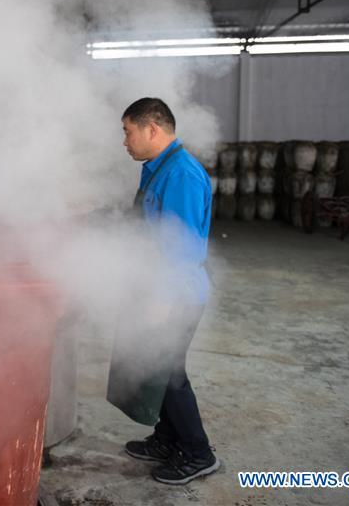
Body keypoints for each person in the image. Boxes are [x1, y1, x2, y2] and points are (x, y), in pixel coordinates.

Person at [115, 97, 219, 484]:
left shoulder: (182, 175)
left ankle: (198, 452)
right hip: (155, 288)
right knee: (155, 371)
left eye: (128, 131)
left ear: (151, 129)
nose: (124, 141)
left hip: (175, 294)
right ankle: (168, 438)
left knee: (168, 372)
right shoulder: (157, 168)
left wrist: (161, 301)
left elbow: (183, 247)